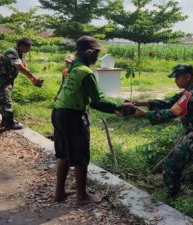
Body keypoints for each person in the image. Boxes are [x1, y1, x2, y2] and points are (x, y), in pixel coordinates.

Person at [51, 36, 133, 205]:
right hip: (72, 116)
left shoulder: (72, 68)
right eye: (96, 53)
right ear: (89, 53)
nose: (97, 57)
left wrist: (115, 108)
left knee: (64, 155)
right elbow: (98, 100)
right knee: (80, 156)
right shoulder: (86, 72)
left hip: (58, 112)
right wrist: (120, 106)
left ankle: (59, 193)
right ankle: (82, 197)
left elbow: (83, 98)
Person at [132, 64, 193, 198]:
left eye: (177, 77)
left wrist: (145, 114)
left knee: (173, 166)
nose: (175, 80)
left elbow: (172, 112)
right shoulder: (191, 91)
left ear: (188, 77)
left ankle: (171, 196)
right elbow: (169, 101)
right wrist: (141, 103)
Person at [0, 38, 43, 130]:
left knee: (5, 99)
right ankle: (10, 123)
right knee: (6, 100)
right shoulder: (12, 52)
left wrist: (33, 79)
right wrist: (33, 77)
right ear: (22, 46)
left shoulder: (21, 54)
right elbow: (20, 67)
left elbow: (25, 66)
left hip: (8, 80)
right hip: (0, 79)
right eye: (28, 47)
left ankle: (4, 122)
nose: (29, 50)